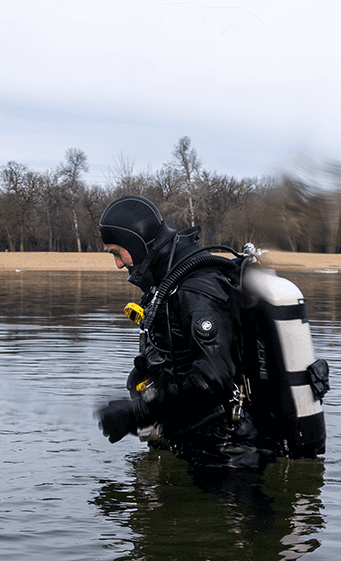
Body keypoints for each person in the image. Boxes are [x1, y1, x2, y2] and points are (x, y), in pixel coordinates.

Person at [94, 194, 264, 468]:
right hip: (199, 443)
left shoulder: (197, 289)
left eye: (117, 252)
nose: (117, 263)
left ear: (137, 245)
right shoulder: (169, 282)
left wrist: (138, 413)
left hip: (228, 455)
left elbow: (212, 380)